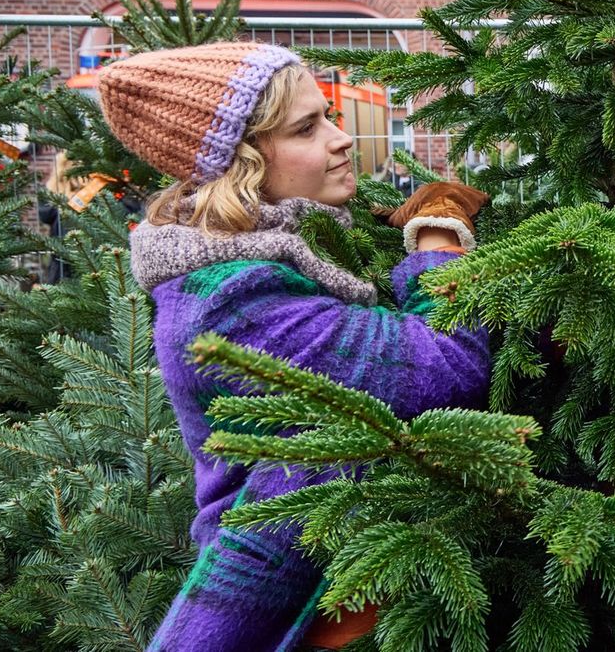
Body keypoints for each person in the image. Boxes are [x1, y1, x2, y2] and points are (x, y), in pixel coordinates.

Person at [96, 41, 492, 652]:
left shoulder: (291, 250)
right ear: (241, 163)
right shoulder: (235, 302)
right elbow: (445, 366)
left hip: (354, 569)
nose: (340, 139)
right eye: (307, 128)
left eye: (329, 115)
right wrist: (438, 245)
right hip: (313, 605)